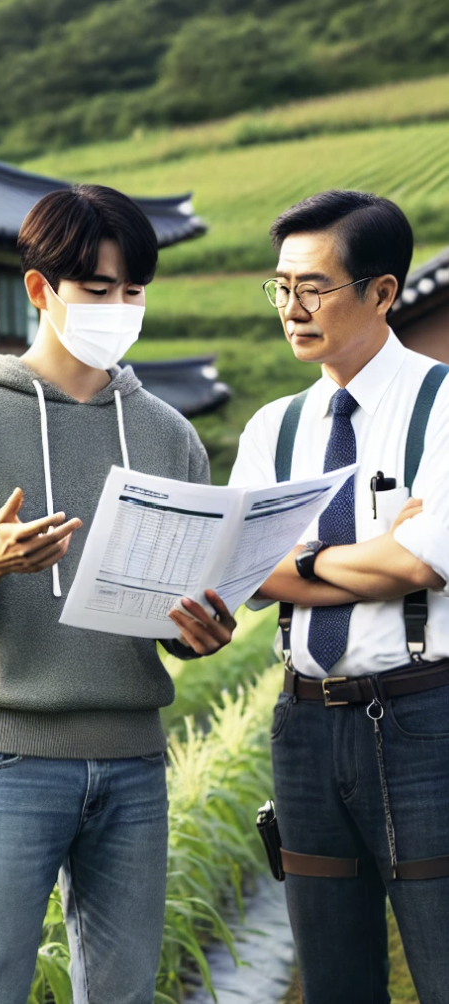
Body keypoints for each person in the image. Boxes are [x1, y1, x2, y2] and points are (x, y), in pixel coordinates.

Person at [0, 184, 237, 1004]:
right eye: (97, 289)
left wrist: (201, 628)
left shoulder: (167, 435)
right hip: (5, 754)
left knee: (123, 990)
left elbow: (175, 606)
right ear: (41, 289)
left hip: (133, 758)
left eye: (133, 291)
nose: (119, 307)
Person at [230, 189, 449, 1004]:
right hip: (304, 724)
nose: (292, 307)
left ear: (383, 291)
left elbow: (423, 566)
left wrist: (304, 557)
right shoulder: (272, 429)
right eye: (281, 286)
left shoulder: (442, 404)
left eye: (314, 286)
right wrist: (369, 555)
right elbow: (246, 569)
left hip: (425, 715)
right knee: (333, 979)